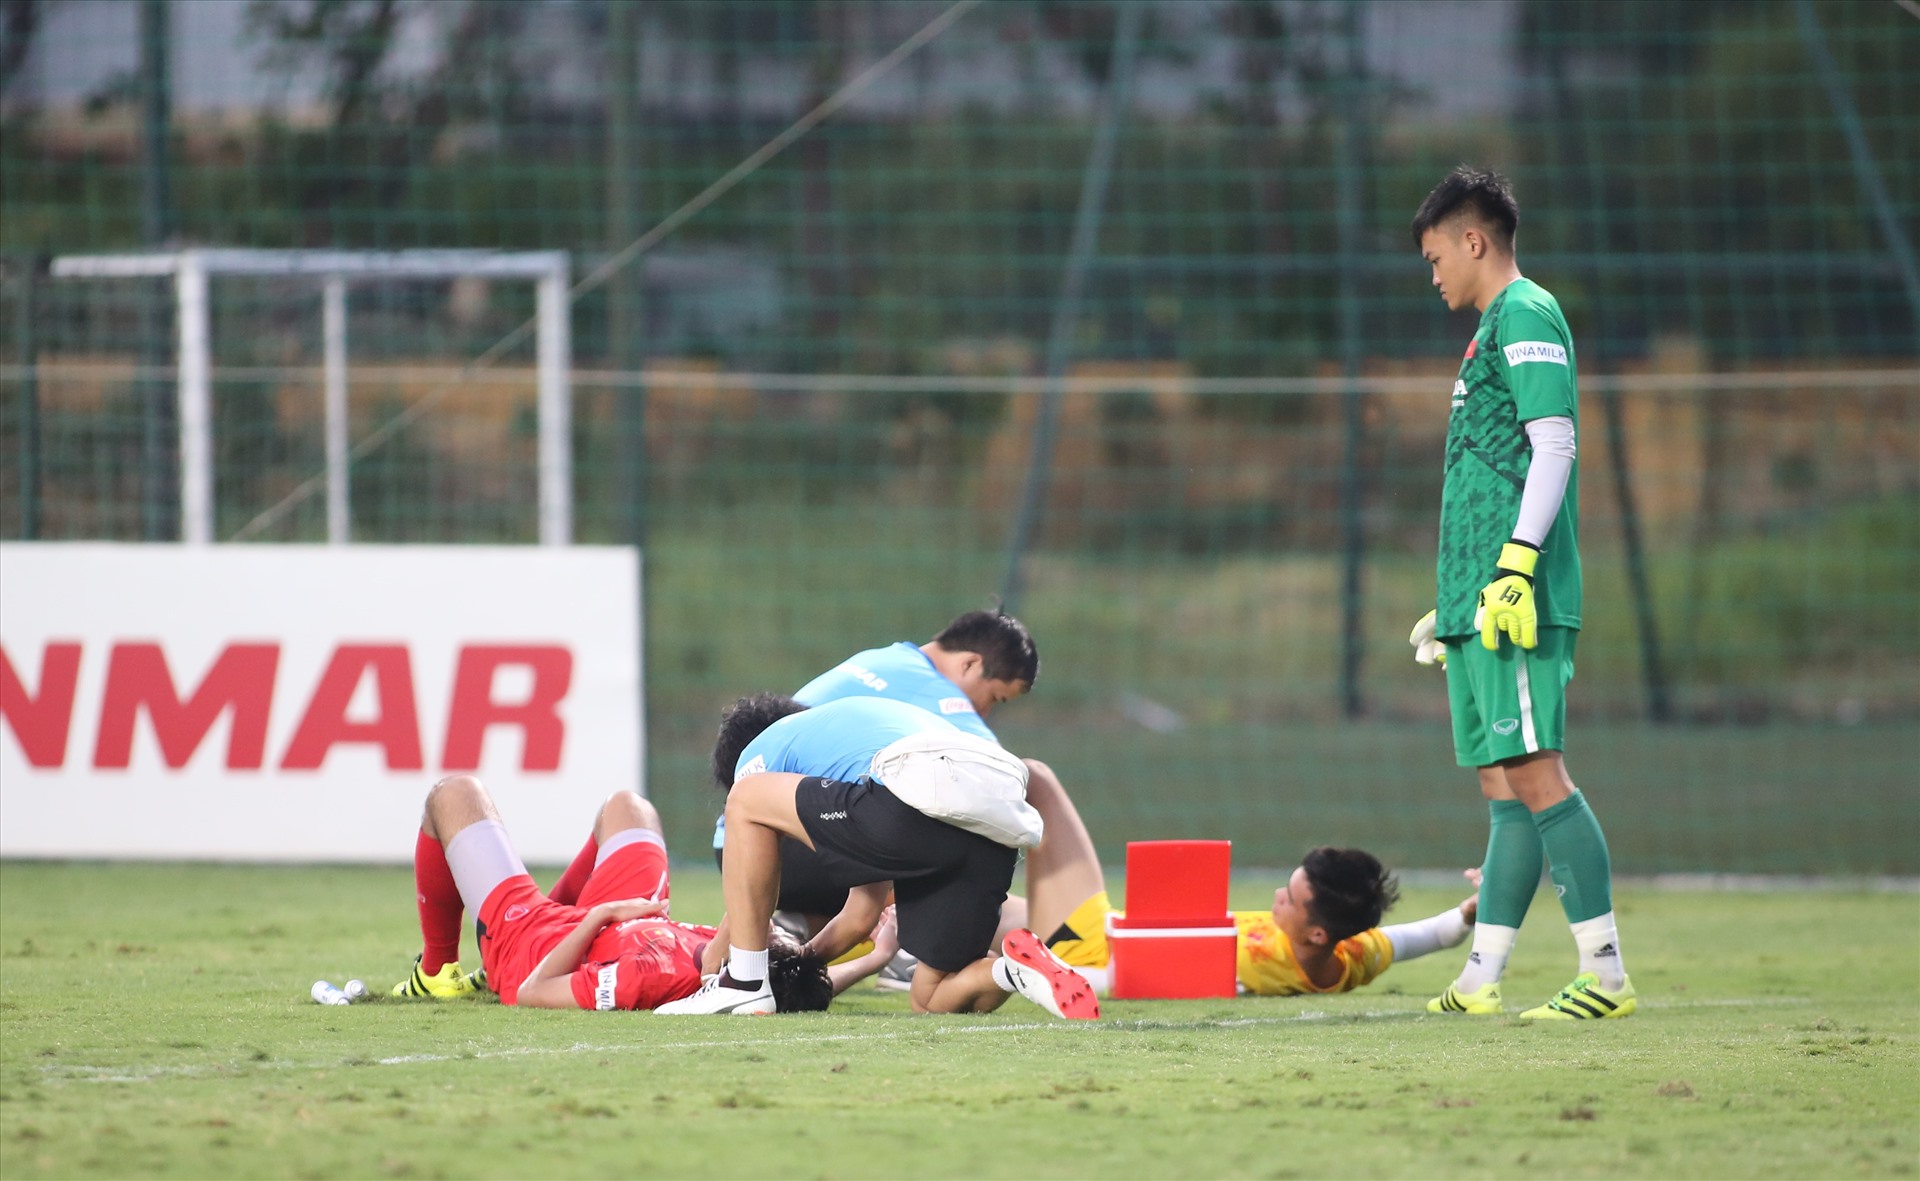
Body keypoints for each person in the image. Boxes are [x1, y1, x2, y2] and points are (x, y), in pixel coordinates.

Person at [1407, 166, 1635, 1020]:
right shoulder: (1488, 329)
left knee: (1538, 773)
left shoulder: (1527, 311)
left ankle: (1606, 974)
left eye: (1436, 256)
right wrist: (1458, 598)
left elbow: (1554, 445)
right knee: (1503, 784)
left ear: (1474, 241)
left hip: (1518, 596)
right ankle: (1480, 977)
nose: (1433, 275)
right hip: (1483, 600)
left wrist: (1513, 568)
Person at [713, 610, 1112, 994]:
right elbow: (989, 778)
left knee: (917, 851)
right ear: (970, 665)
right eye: (995, 698)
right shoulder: (934, 691)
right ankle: (1080, 948)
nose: (985, 712)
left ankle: (801, 925)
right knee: (1030, 778)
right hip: (794, 841)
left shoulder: (879, 660)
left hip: (792, 842)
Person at [656, 694, 1097, 1019]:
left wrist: (715, 963)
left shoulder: (761, 749)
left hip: (919, 788)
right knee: (932, 997)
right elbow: (860, 915)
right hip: (994, 814)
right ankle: (1015, 969)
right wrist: (802, 964)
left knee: (746, 800)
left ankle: (745, 982)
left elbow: (748, 827)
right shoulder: (850, 741)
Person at [389, 773, 831, 1012]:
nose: (768, 924)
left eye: (770, 936)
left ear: (743, 965)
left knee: (452, 794)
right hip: (632, 922)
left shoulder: (644, 977)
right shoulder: (718, 956)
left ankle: (435, 972)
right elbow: (803, 982)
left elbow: (532, 992)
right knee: (627, 805)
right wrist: (871, 951)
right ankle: (556, 905)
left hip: (533, 947)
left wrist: (601, 916)